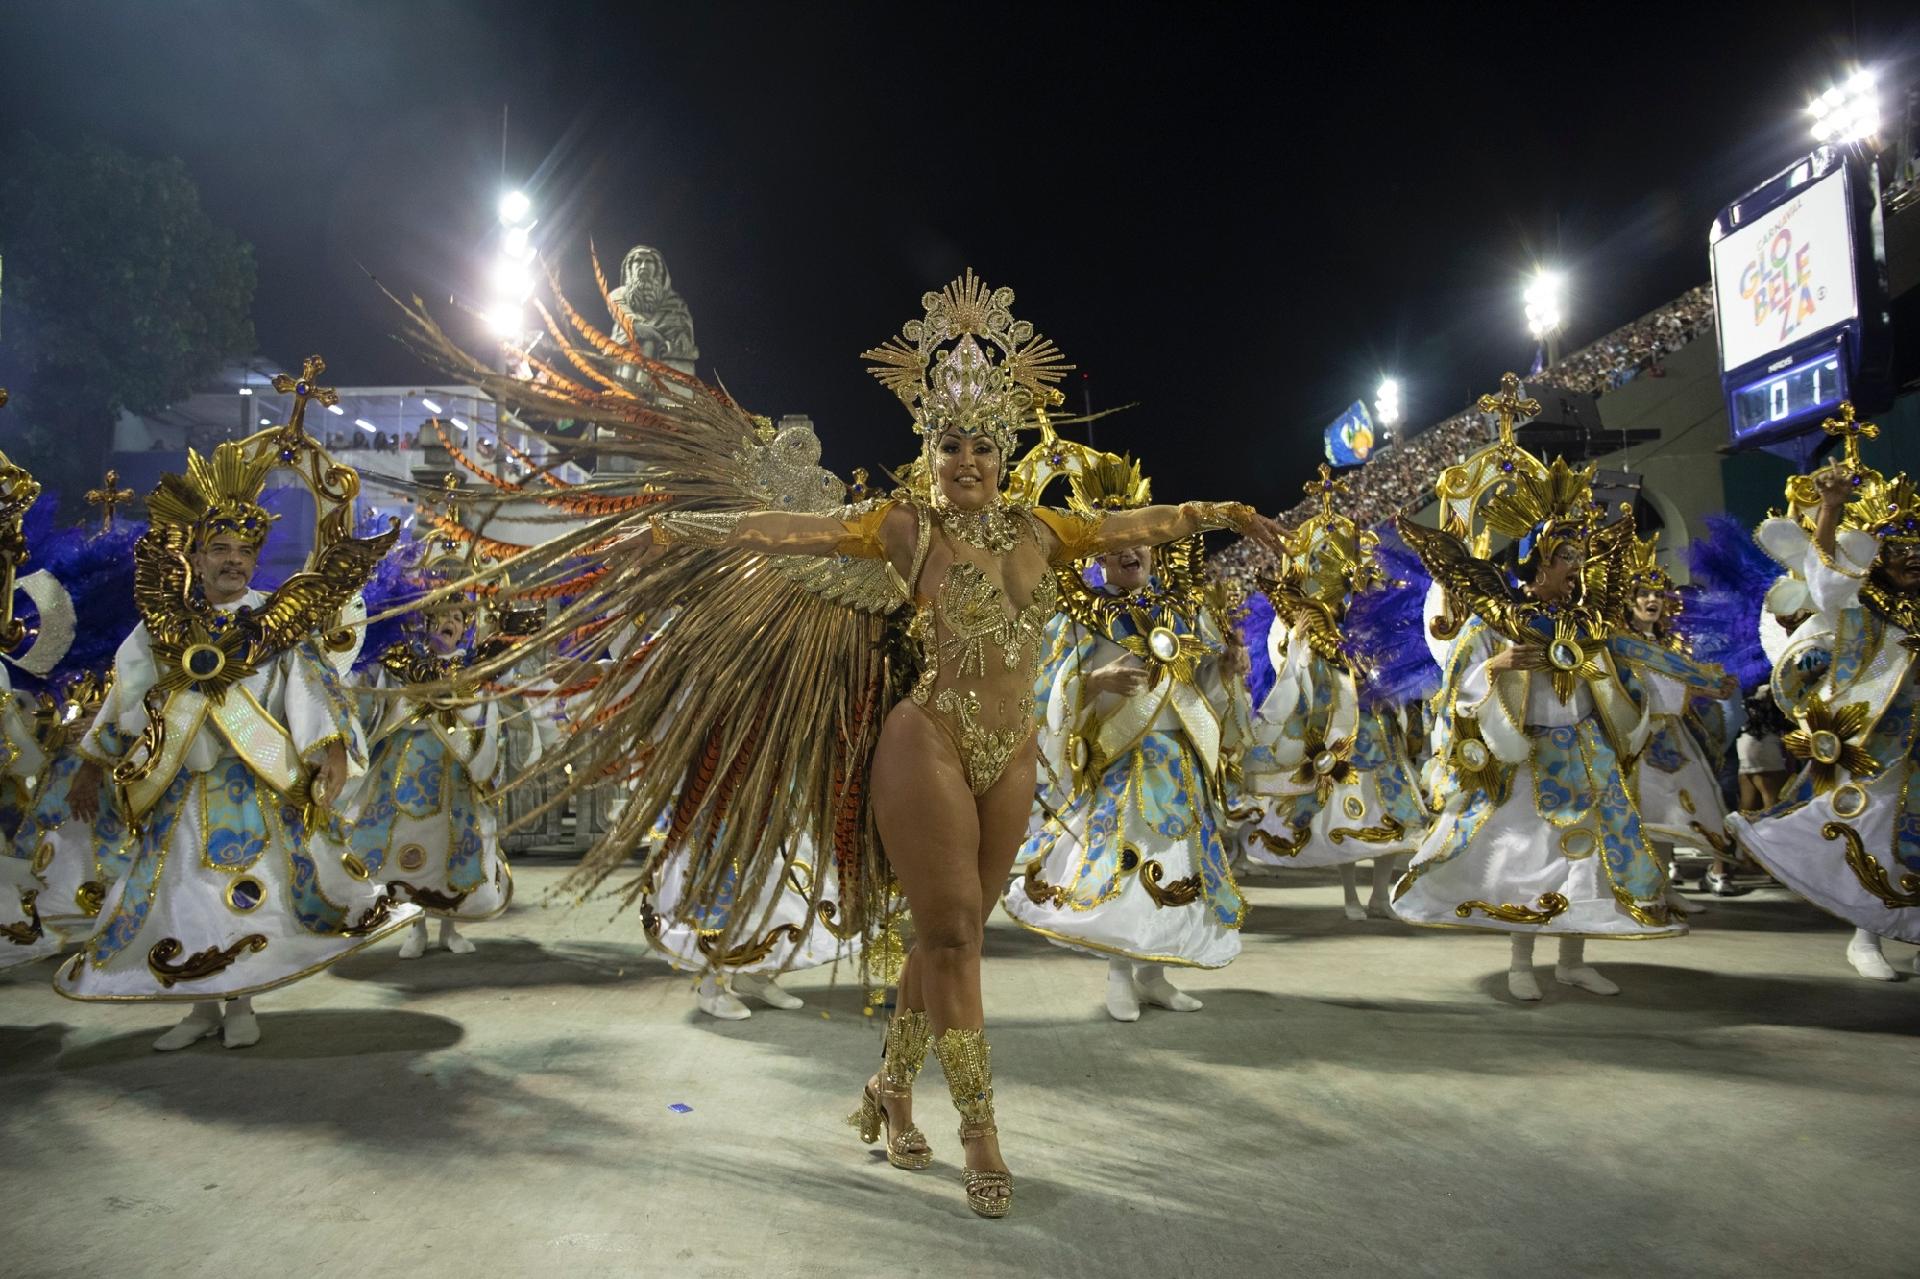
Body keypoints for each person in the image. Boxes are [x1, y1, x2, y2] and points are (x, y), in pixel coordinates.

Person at [396, 268, 1284, 1218]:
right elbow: (788, 528)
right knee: (949, 937)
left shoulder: (1045, 530)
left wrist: (1223, 513)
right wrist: (685, 531)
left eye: (984, 443)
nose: (969, 460)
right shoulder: (901, 528)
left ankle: (890, 1091)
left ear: (1007, 445)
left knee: (954, 940)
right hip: (929, 741)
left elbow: (1136, 522)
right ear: (929, 448)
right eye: (951, 443)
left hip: (1012, 752)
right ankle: (980, 1132)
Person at [54, 438, 418, 1047]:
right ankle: (199, 1009)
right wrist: (92, 765)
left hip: (253, 786)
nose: (233, 561)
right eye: (220, 549)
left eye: (244, 552)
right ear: (195, 556)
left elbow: (310, 685)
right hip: (176, 789)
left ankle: (242, 1004)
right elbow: (125, 694)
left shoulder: (275, 619)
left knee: (246, 893)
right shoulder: (160, 626)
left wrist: (329, 748)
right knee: (183, 897)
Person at [1391, 393, 1688, 1000]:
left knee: (1584, 858)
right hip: (1525, 757)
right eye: (1566, 557)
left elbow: (1618, 675)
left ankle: (1573, 961)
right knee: (1526, 860)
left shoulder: (1588, 622)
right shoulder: (1500, 621)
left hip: (1585, 752)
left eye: (1581, 555)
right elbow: (1458, 684)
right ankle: (1522, 963)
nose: (1578, 567)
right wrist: (1498, 665)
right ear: (1539, 563)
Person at [1001, 450, 1253, 1021]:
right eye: (1116, 545)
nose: (1129, 552)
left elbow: (1204, 678)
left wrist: (1228, 668)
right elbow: (1044, 687)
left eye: (1138, 542)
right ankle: (1119, 974)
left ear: (1153, 546)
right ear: (1099, 554)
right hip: (1118, 761)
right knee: (1124, 866)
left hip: (1179, 761)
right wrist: (1096, 679)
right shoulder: (1077, 614)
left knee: (1176, 867)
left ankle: (1155, 976)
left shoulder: (1184, 610)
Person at [1730, 440, 1920, 980]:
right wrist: (1831, 511)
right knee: (1870, 831)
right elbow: (1828, 585)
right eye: (1900, 544)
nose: (1913, 555)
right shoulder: (1858, 606)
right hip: (1876, 743)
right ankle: (1867, 939)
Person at [1240, 469, 1427, 919]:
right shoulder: (1300, 625)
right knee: (1339, 817)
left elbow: (1396, 668)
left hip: (1378, 730)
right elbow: (1288, 670)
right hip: (1332, 731)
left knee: (1392, 817)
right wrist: (1303, 644)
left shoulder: (1369, 621)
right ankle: (1349, 895)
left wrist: (1385, 687)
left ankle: (1381, 894)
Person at [342, 591, 513, 960]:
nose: (448, 623)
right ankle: (414, 928)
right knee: (405, 847)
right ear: (425, 623)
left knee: (449, 850)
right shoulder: (402, 664)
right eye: (440, 616)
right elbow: (374, 702)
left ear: (465, 626)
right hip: (405, 771)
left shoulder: (473, 668)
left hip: (455, 774)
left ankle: (449, 928)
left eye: (456, 617)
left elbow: (487, 717)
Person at [1614, 536, 1738, 917]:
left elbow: (1674, 685)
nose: (1652, 600)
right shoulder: (1618, 644)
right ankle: (1639, 890)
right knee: (1643, 815)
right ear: (1629, 600)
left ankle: (1665, 887)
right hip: (1635, 737)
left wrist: (1712, 690)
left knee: (1672, 814)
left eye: (1659, 594)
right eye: (1644, 593)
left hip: (1673, 735)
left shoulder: (1670, 644)